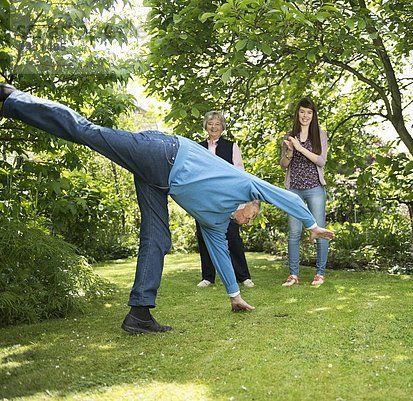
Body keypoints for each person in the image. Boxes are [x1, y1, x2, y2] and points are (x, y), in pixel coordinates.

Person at [0, 84, 334, 333]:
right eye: (253, 215)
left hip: (158, 180)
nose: (249, 221)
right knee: (88, 132)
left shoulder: (216, 223)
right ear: (250, 204)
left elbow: (220, 256)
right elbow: (284, 195)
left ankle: (139, 315)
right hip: (161, 152)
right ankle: (13, 99)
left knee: (157, 239)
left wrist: (234, 296)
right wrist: (311, 225)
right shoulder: (243, 184)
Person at [195, 111, 254, 289]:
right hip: (204, 198)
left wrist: (242, 203)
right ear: (206, 126)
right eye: (210, 123)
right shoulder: (197, 147)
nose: (214, 127)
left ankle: (243, 276)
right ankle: (208, 277)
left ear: (222, 127)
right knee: (204, 236)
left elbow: (240, 173)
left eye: (217, 124)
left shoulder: (231, 146)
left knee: (233, 236)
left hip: (227, 197)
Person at [280, 97, 329, 287]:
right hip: (294, 190)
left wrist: (300, 148)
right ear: (297, 113)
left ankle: (320, 273)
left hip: (315, 188)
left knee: (319, 230)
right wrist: (291, 151)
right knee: (294, 232)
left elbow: (321, 161)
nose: (305, 116)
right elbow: (284, 165)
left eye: (309, 112)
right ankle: (293, 275)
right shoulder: (289, 135)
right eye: (302, 112)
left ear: (313, 115)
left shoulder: (320, 135)